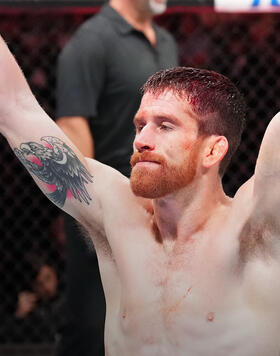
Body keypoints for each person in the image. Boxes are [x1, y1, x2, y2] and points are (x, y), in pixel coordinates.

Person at [1, 34, 280, 356]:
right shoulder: (114, 214)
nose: (142, 140)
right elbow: (13, 107)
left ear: (213, 150)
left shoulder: (256, 228)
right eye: (140, 125)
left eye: (165, 126)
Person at [55, 0, 178, 354]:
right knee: (92, 322)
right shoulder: (92, 40)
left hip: (163, 207)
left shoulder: (165, 41)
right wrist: (93, 206)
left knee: (155, 320)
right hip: (108, 206)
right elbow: (72, 125)